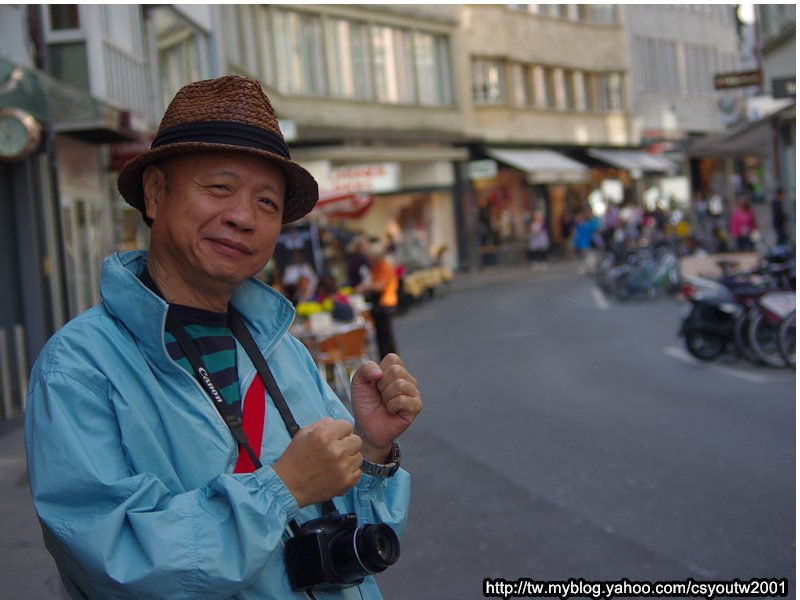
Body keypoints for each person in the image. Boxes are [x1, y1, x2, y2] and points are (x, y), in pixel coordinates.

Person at [24, 75, 422, 600]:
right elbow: (114, 560)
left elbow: (353, 531)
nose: (243, 218)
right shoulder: (79, 369)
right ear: (155, 192)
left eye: (266, 203)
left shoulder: (284, 351)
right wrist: (282, 489)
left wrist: (370, 449)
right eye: (219, 188)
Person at [356, 242, 399, 360]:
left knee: (386, 334)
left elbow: (380, 286)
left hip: (385, 303)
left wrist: (366, 287)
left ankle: (391, 359)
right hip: (381, 303)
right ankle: (385, 358)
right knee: (381, 334)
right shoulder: (377, 267)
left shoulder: (384, 267)